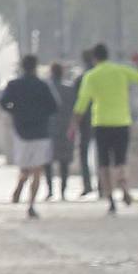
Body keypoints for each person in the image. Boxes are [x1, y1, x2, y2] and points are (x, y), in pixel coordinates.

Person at [70, 43, 138, 215]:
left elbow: (82, 102)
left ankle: (110, 199)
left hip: (101, 123)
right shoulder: (121, 70)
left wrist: (73, 125)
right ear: (108, 55)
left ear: (95, 58)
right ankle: (123, 182)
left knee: (104, 163)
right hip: (122, 122)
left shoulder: (91, 76)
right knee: (121, 160)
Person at [0, 55, 58, 219]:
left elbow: (3, 102)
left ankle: (21, 182)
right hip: (40, 131)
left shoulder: (14, 85)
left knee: (25, 165)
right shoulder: (42, 86)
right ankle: (31, 204)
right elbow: (54, 106)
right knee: (38, 169)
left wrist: (15, 111)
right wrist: (42, 114)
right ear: (35, 67)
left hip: (21, 130)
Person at [45, 63, 78, 200]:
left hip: (48, 128)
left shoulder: (46, 88)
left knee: (48, 161)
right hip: (66, 128)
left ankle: (50, 190)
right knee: (64, 162)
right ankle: (63, 191)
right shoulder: (70, 89)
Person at [73, 49, 97, 196]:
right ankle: (102, 186)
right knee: (102, 154)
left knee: (84, 153)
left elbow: (77, 101)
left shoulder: (80, 78)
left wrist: (75, 121)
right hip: (101, 118)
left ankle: (87, 184)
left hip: (84, 120)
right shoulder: (101, 76)